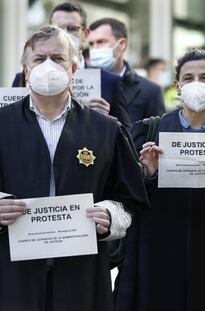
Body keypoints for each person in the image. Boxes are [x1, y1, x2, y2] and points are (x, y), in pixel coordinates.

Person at [0, 25, 148, 311]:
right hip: (13, 274)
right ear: (26, 71)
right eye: (39, 59)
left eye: (57, 59)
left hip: (82, 275)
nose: (48, 66)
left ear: (74, 69)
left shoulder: (106, 130)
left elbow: (132, 200)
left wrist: (109, 215)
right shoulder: (1, 124)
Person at [115, 49, 205, 311]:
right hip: (157, 251)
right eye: (188, 78)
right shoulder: (148, 132)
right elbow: (128, 196)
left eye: (204, 77)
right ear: (177, 86)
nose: (196, 84)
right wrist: (149, 174)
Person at [12, 2, 131, 129]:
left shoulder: (110, 82)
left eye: (72, 29)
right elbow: (10, 124)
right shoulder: (22, 79)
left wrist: (104, 120)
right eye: (58, 29)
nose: (65, 34)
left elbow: (124, 134)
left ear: (85, 34)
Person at [88, 18, 165, 123]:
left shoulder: (150, 91)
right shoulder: (82, 85)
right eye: (91, 44)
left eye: (101, 42)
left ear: (122, 44)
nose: (94, 49)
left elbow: (156, 134)